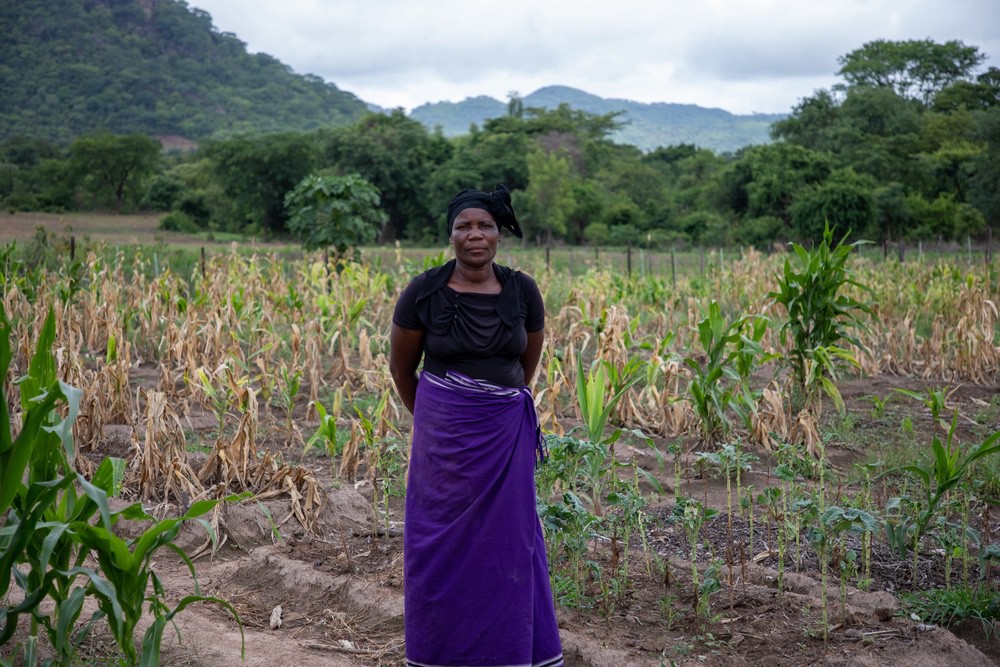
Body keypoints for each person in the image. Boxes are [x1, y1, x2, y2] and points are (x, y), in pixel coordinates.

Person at [389, 184, 563, 667]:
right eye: (463, 226)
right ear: (450, 235)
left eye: (484, 225)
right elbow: (403, 372)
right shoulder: (423, 292)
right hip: (443, 442)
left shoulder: (523, 290)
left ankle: (508, 652)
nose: (475, 235)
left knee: (509, 545)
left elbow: (525, 365)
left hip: (504, 437)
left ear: (500, 233)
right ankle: (440, 653)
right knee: (439, 543)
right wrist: (440, 418)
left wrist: (494, 409)